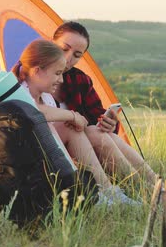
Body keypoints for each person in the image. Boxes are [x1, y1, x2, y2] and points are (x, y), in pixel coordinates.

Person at [10, 39, 139, 205]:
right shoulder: (17, 92)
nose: (61, 80)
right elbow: (31, 111)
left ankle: (130, 188)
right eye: (57, 73)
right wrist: (71, 115)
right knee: (67, 127)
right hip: (31, 166)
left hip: (56, 160)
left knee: (85, 131)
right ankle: (103, 194)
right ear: (37, 71)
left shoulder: (47, 97)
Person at [51, 22, 158, 189]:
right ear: (51, 44)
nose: (67, 58)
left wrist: (109, 124)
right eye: (64, 49)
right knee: (93, 133)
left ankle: (157, 183)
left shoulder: (79, 80)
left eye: (77, 55)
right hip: (52, 152)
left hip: (82, 150)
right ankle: (145, 190)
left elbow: (98, 118)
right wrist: (73, 118)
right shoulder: (33, 73)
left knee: (104, 133)